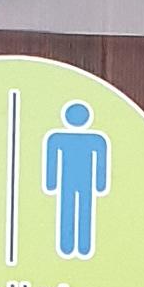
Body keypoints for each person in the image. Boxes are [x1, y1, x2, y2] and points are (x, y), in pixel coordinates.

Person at [42, 96, 110, 258]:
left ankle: (73, 246)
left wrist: (51, 184)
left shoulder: (60, 138)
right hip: (77, 182)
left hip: (72, 182)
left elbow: (101, 163)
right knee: (78, 210)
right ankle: (76, 246)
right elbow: (52, 161)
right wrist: (100, 185)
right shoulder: (94, 139)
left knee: (72, 210)